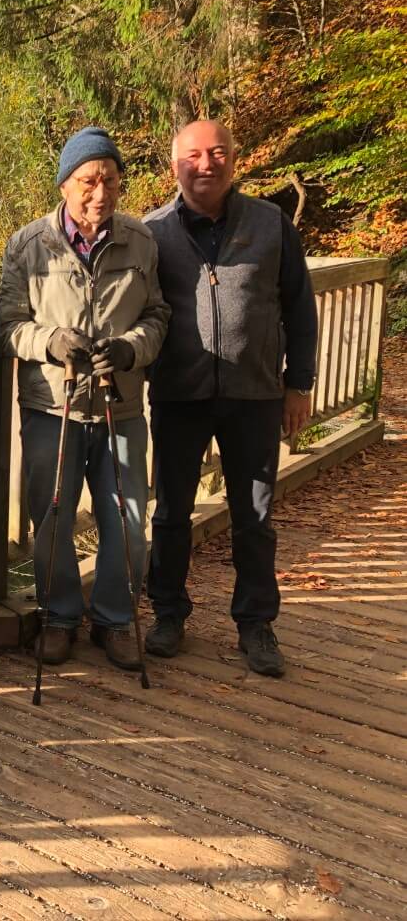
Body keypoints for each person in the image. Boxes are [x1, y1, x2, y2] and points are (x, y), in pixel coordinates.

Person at [142, 120, 317, 677]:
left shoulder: (270, 224)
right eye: (193, 155)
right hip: (179, 394)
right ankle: (168, 614)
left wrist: (299, 384)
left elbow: (300, 307)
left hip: (256, 394)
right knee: (171, 514)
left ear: (233, 160)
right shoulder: (153, 231)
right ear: (176, 166)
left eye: (217, 152)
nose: (206, 164)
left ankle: (256, 624)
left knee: (256, 515)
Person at [0, 127, 170, 671]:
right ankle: (60, 616)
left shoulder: (141, 241)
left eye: (110, 180)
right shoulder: (28, 245)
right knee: (51, 516)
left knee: (128, 519)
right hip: (54, 407)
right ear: (65, 184)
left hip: (119, 406)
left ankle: (116, 620)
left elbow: (157, 316)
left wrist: (128, 349)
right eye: (88, 181)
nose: (100, 193)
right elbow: (6, 327)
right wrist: (50, 342)